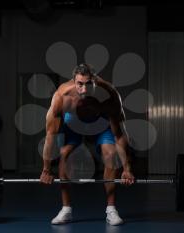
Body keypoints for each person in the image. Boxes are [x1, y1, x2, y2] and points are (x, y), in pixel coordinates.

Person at [40, 63, 135, 225]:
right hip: (73, 123)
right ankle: (66, 210)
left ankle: (111, 210)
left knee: (111, 154)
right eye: (80, 84)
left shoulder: (110, 95)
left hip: (100, 123)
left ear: (95, 81)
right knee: (64, 154)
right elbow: (50, 135)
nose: (84, 89)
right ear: (74, 81)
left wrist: (127, 169)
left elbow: (119, 135)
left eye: (89, 84)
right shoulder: (62, 97)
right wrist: (46, 169)